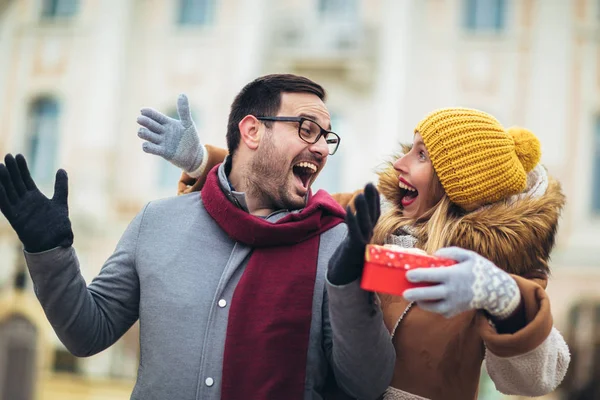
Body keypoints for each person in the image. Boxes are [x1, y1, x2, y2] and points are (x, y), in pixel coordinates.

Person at [0, 74, 396, 400]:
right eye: (307, 129)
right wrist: (48, 249)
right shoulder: (157, 221)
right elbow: (86, 333)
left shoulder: (335, 241)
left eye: (328, 137)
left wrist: (348, 285)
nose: (323, 148)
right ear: (253, 130)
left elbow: (366, 385)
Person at [143, 105, 570, 400]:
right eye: (409, 148)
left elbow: (535, 379)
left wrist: (504, 298)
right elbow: (289, 203)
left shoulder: (502, 267)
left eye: (421, 155)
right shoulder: (369, 221)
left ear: (457, 184)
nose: (400, 164)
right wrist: (207, 163)